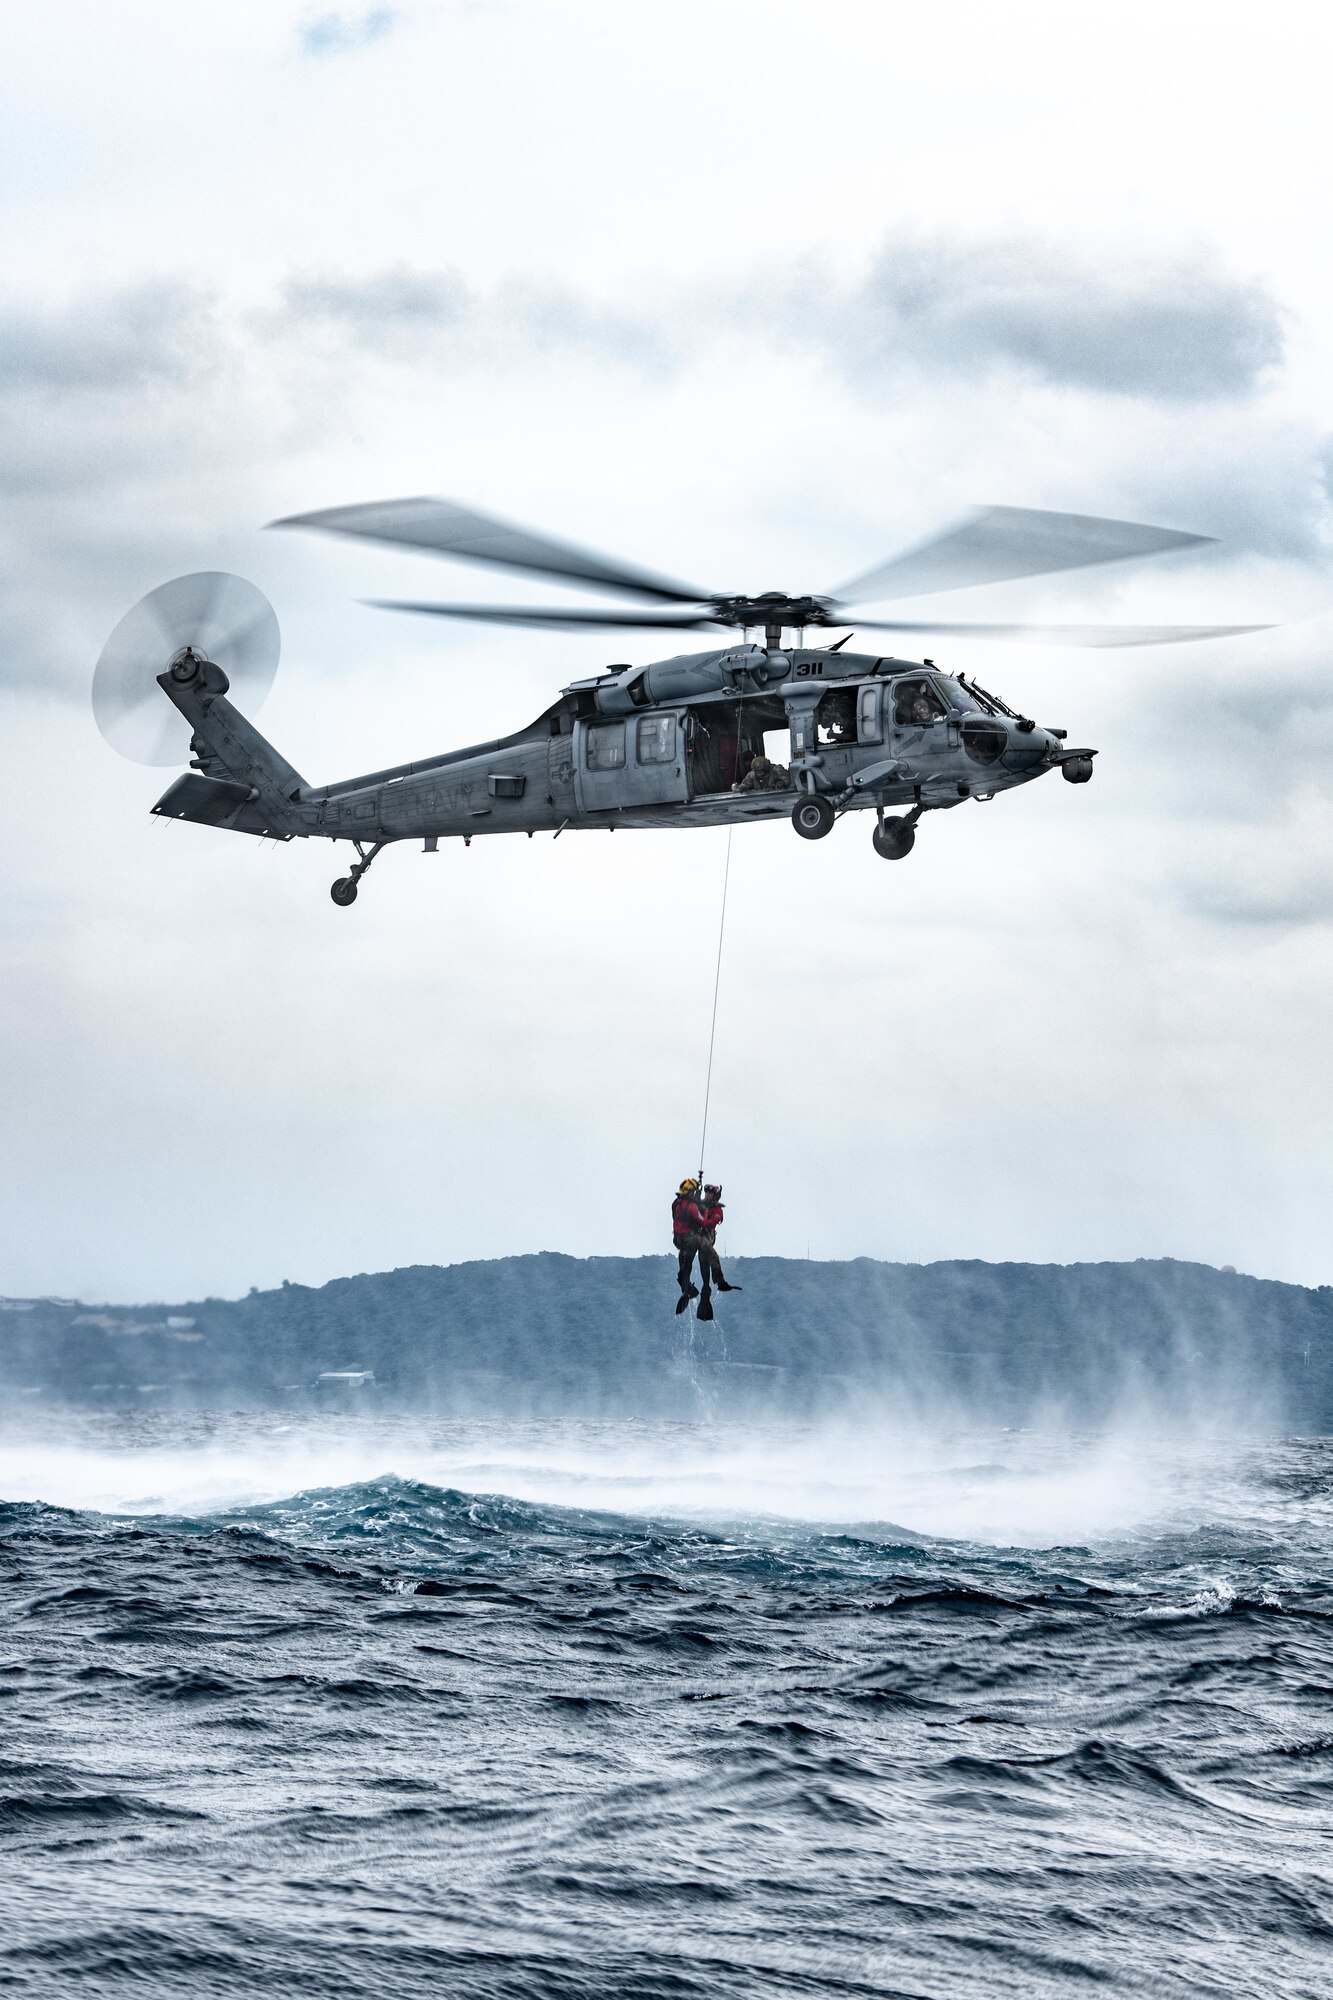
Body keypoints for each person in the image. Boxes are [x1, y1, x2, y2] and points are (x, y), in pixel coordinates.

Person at [691, 1183, 741, 1320]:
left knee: (704, 1255)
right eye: (706, 1192)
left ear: (715, 1196)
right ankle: (699, 1286)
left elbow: (711, 1223)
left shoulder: (717, 1210)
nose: (707, 1195)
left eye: (710, 1193)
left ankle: (709, 1286)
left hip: (707, 1236)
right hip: (696, 1236)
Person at [672, 1178, 704, 1311]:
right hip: (690, 1239)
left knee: (683, 1262)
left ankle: (686, 1286)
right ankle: (686, 1288)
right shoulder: (692, 1206)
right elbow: (701, 1220)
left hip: (678, 1240)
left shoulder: (676, 1204)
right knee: (688, 1263)